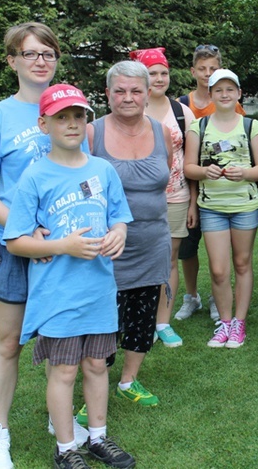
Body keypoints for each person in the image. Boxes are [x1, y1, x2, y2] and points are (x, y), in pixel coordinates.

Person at [0, 22, 88, 469]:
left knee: (61, 339)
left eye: (48, 53)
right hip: (14, 247)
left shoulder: (70, 108)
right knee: (8, 342)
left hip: (65, 247)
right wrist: (24, 230)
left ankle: (60, 418)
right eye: (30, 54)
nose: (40, 61)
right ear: (12, 60)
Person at [4, 84, 135, 469]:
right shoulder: (35, 176)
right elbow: (15, 240)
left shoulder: (102, 169)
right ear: (44, 124)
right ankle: (65, 448)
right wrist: (63, 246)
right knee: (62, 370)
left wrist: (119, 234)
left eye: (78, 116)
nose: (72, 124)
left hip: (97, 289)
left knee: (97, 364)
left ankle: (97, 437)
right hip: (58, 293)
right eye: (62, 117)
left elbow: (120, 216)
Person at [85, 60, 173, 411]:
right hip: (105, 247)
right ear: (107, 94)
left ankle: (128, 380)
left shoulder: (162, 132)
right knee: (104, 321)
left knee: (143, 315)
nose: (128, 97)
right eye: (119, 91)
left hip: (153, 242)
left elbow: (166, 182)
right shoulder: (92, 134)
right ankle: (96, 386)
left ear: (147, 94)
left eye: (136, 90)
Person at [184, 69, 258, 347]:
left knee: (242, 264)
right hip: (212, 208)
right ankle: (224, 322)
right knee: (219, 270)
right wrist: (205, 171)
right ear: (210, 94)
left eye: (230, 89)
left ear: (239, 93)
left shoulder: (251, 126)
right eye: (218, 90)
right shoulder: (199, 127)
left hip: (244, 206)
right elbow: (189, 168)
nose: (224, 94)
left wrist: (244, 174)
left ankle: (239, 324)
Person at [175, 44, 247, 322]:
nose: (207, 74)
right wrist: (192, 199)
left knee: (223, 250)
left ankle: (219, 298)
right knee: (188, 247)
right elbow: (185, 156)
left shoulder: (232, 103)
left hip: (224, 191)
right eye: (202, 69)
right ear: (193, 71)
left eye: (213, 69)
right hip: (191, 186)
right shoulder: (182, 105)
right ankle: (191, 296)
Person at [130, 47, 196, 348]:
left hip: (176, 195)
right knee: (138, 258)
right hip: (138, 198)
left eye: (164, 73)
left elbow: (192, 159)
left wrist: (193, 200)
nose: (159, 78)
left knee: (169, 259)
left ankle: (163, 322)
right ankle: (138, 319)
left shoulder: (182, 112)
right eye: (152, 73)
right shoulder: (132, 108)